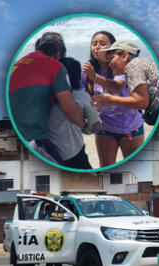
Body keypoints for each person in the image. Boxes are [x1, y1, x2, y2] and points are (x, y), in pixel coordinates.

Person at [9, 35, 85, 164]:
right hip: (33, 136)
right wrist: (83, 124)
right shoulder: (55, 66)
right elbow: (68, 107)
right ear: (58, 53)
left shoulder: (17, 64)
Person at [82, 32, 145, 167]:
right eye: (94, 44)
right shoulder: (87, 71)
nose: (97, 47)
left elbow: (116, 86)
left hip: (131, 127)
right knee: (106, 170)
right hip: (105, 127)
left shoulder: (124, 65)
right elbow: (83, 94)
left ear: (113, 48)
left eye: (102, 43)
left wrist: (94, 77)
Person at [47, 57, 102, 169]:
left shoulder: (47, 97)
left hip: (47, 151)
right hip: (73, 151)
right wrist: (84, 127)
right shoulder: (82, 96)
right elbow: (95, 126)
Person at [92, 40, 159, 125]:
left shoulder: (132, 66)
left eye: (111, 58)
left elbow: (141, 102)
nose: (109, 64)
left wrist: (110, 99)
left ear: (125, 55)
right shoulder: (141, 65)